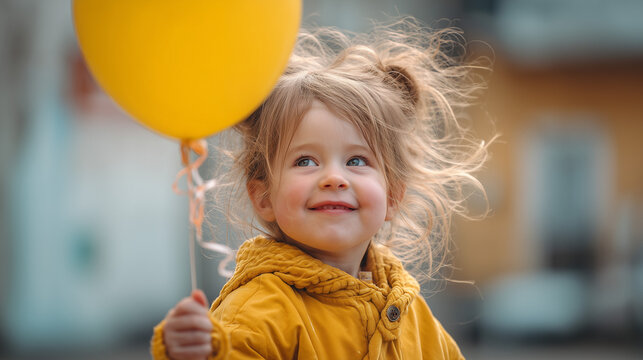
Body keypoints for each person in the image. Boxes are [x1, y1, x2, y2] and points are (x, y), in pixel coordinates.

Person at [151, 17, 491, 360]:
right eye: (305, 161)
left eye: (357, 161)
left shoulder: (411, 312)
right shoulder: (256, 313)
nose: (334, 178)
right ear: (264, 197)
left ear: (393, 196)